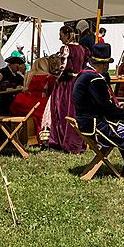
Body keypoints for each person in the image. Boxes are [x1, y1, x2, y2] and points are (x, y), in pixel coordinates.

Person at [72, 42, 124, 181]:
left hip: (87, 121)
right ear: (100, 64)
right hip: (95, 125)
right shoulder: (94, 79)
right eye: (106, 64)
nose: (107, 67)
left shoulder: (84, 74)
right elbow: (107, 110)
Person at [46, 24, 88, 153]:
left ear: (66, 34)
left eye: (61, 35)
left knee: (63, 112)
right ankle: (78, 142)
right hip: (79, 83)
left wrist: (55, 76)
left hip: (66, 85)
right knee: (75, 112)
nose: (60, 38)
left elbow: (62, 68)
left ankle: (64, 142)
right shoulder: (82, 49)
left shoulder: (66, 48)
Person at [10, 55, 58, 119]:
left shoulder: (28, 75)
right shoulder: (49, 77)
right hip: (40, 105)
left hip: (23, 103)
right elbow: (53, 93)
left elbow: (25, 88)